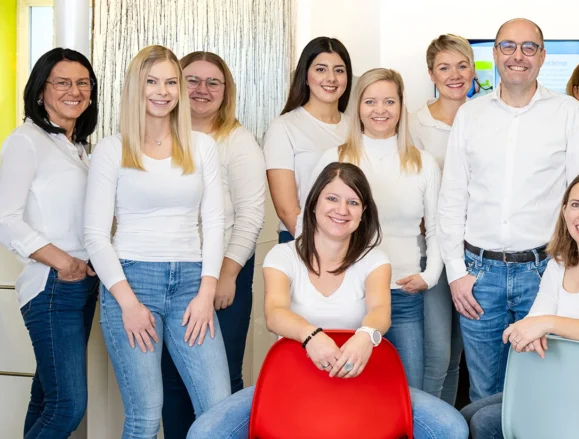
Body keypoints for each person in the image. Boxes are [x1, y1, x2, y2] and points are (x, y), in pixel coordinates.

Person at [185, 163, 468, 439]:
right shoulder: (282, 256)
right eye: (332, 198)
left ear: (363, 212)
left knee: (451, 427)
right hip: (293, 380)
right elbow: (275, 313)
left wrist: (365, 336)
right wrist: (311, 336)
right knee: (206, 432)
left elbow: (380, 311)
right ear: (313, 204)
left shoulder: (375, 260)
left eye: (353, 202)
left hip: (361, 380)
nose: (342, 210)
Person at [437, 17, 579, 402]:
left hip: (544, 272)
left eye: (528, 47)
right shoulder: (470, 115)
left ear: (542, 56)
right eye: (508, 46)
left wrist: (571, 271)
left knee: (541, 393)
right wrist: (456, 274)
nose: (517, 56)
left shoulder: (568, 112)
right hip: (478, 276)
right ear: (494, 54)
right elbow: (452, 198)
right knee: (484, 394)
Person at [83, 45, 230, 438]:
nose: (162, 91)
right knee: (146, 417)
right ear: (136, 87)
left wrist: (206, 292)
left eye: (171, 82)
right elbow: (95, 235)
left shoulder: (202, 146)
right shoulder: (111, 150)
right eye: (152, 81)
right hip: (131, 283)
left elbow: (215, 222)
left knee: (218, 410)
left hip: (192, 285)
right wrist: (128, 304)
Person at [459, 171, 579, 438]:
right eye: (576, 205)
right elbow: (533, 323)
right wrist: (532, 331)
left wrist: (547, 325)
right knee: (467, 416)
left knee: (485, 422)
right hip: (563, 387)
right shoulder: (559, 264)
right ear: (564, 212)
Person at [0, 47, 99, 439]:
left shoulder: (78, 148)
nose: (75, 91)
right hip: (54, 285)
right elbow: (3, 218)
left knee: (46, 399)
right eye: (62, 82)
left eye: (83, 83)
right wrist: (63, 262)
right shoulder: (26, 141)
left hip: (82, 285)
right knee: (68, 406)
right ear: (40, 91)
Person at [308, 68, 442, 387]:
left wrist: (431, 274)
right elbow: (310, 225)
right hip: (348, 295)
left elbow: (438, 227)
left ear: (401, 106)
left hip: (403, 292)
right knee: (351, 392)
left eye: (389, 101)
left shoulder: (423, 163)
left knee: (408, 389)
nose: (380, 110)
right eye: (370, 101)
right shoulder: (334, 159)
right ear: (357, 106)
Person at [157, 51, 266, 439]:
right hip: (171, 274)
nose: (202, 89)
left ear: (226, 91)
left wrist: (227, 273)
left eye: (213, 82)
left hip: (224, 273)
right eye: (192, 80)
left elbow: (251, 215)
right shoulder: (160, 136)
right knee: (172, 378)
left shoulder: (238, 141)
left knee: (222, 379)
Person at [409, 33, 474, 404]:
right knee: (436, 355)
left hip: (473, 252)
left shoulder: (483, 117)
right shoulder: (413, 125)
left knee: (456, 357)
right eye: (445, 68)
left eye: (462, 66)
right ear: (431, 74)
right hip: (430, 251)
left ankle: (446, 425)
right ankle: (425, 425)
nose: (455, 75)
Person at [265, 37, 352, 243]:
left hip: (352, 241)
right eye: (321, 69)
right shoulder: (283, 127)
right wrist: (320, 248)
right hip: (301, 239)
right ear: (305, 76)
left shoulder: (357, 127)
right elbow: (286, 209)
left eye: (339, 70)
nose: (331, 78)